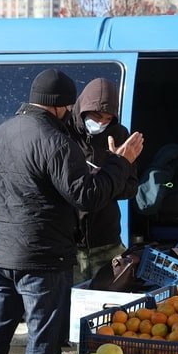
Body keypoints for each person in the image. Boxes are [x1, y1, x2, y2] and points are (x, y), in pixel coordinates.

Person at [0, 69, 144, 354]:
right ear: (60, 106)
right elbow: (87, 196)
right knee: (42, 342)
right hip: (44, 258)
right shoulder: (55, 141)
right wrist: (120, 163)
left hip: (0, 256)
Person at [66, 77, 139, 284]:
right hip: (70, 244)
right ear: (83, 109)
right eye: (96, 116)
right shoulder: (63, 132)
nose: (100, 123)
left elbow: (131, 187)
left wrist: (109, 176)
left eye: (107, 119)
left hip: (107, 240)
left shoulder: (119, 134)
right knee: (71, 300)